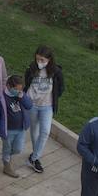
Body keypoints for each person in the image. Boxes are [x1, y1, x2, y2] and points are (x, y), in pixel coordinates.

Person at [24, 46, 65, 174]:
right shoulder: (31, 68)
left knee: (45, 131)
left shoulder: (56, 72)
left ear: (49, 59)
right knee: (34, 131)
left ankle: (34, 157)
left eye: (42, 60)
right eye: (37, 59)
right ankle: (35, 159)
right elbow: (27, 84)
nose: (39, 62)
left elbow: (61, 88)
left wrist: (52, 98)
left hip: (47, 106)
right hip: (32, 105)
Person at [0, 74, 31, 179]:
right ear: (8, 86)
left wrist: (22, 97)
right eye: (16, 89)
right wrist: (0, 130)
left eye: (20, 89)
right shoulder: (0, 98)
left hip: (21, 128)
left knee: (18, 149)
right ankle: (7, 165)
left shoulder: (20, 95)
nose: (18, 91)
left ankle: (7, 156)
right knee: (7, 147)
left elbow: (29, 105)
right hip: (8, 130)